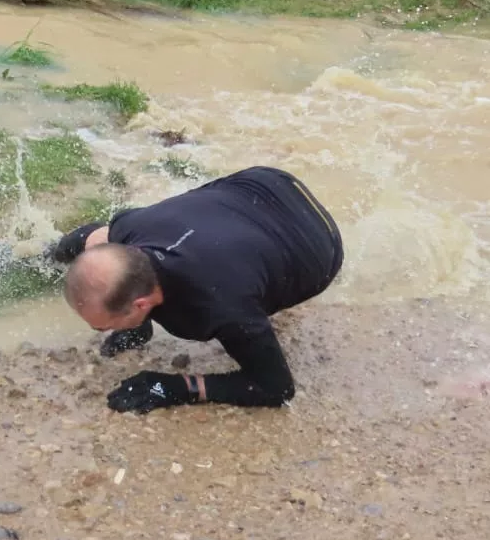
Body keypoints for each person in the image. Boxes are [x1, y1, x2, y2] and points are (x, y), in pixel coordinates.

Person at [54, 166, 343, 414]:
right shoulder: (131, 226)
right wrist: (54, 255)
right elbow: (90, 241)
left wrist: (176, 387)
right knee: (93, 241)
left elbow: (276, 388)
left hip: (319, 243)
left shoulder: (220, 306)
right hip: (263, 183)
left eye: (103, 327)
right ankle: (128, 318)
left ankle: (137, 322)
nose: (98, 331)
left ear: (140, 304)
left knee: (232, 291)